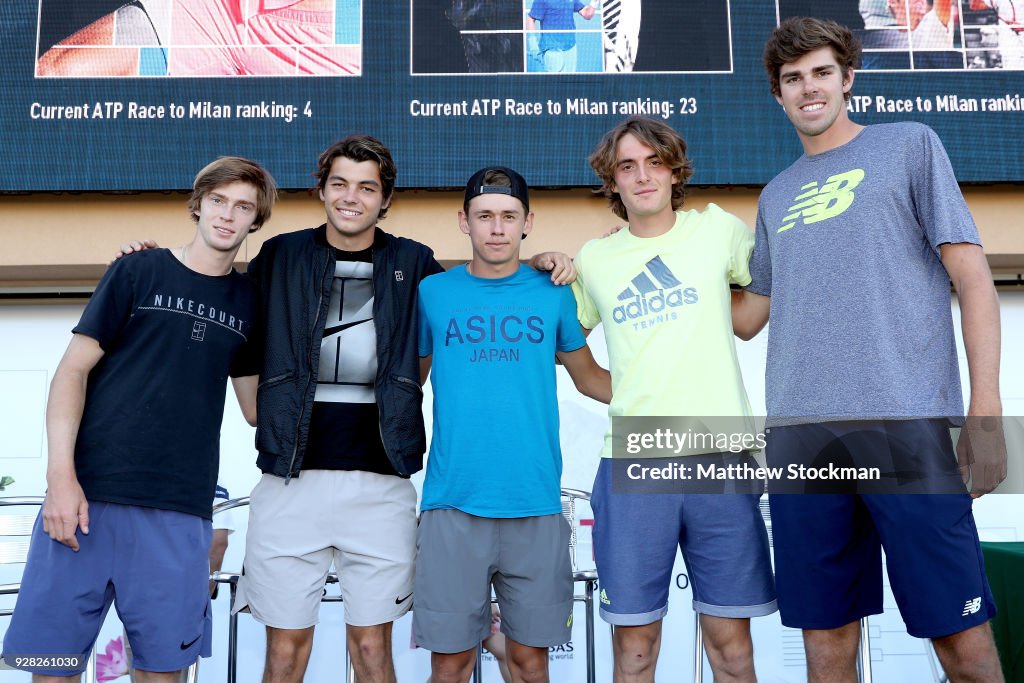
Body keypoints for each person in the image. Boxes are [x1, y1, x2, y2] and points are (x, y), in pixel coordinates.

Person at [731, 16, 1007, 682]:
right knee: (827, 646)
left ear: (848, 77)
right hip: (802, 440)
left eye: (822, 72)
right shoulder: (774, 196)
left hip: (901, 424)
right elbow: (749, 317)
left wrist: (987, 407)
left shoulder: (909, 146)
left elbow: (971, 277)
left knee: (961, 643)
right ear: (778, 94)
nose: (808, 89)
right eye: (792, 79)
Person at [1, 157, 272, 681]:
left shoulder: (249, 303)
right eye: (218, 201)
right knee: (50, 668)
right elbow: (71, 372)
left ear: (255, 222)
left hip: (178, 513)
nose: (227, 216)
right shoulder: (137, 270)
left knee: (162, 672)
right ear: (197, 205)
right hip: (85, 503)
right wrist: (60, 479)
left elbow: (256, 408)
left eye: (243, 207)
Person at [566, 116, 776, 683]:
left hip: (719, 458)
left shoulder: (718, 232)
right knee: (636, 648)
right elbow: (582, 369)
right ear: (611, 182)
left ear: (675, 170)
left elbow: (750, 320)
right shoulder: (593, 259)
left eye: (653, 162)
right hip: (634, 463)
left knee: (731, 647)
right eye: (626, 166)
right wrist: (544, 265)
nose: (641, 176)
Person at [414, 166, 611, 683]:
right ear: (464, 222)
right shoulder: (433, 293)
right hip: (453, 504)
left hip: (535, 504)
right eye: (484, 217)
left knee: (529, 662)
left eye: (508, 216)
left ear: (527, 223)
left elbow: (592, 379)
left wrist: (674, 397)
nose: (496, 228)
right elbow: (405, 384)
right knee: (450, 664)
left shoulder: (554, 292)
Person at [125, 479, 237, 682]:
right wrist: (200, 596)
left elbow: (218, 542)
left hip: (142, 588)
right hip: (181, 591)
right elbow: (218, 542)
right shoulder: (203, 476)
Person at [526, 0, 597, 72]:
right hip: (552, 49)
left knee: (569, 81)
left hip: (571, 47)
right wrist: (533, 46)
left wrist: (595, 2)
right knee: (555, 82)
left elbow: (587, 14)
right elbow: (531, 18)